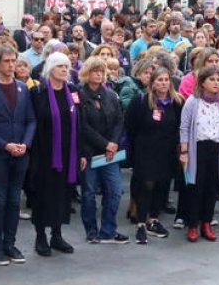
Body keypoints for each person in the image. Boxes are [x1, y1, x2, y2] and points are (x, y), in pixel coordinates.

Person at [0, 45, 36, 266]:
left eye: (14, 61)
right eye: (7, 61)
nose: (11, 65)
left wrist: (26, 144)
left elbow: (31, 120)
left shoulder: (23, 88)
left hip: (21, 153)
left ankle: (10, 243)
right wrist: (5, 145)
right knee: (0, 199)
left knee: (14, 200)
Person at [27, 52, 84, 256]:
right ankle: (40, 236)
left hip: (68, 154)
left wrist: (81, 153)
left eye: (67, 66)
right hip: (45, 153)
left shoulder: (73, 91)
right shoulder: (38, 92)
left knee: (63, 195)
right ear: (50, 68)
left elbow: (80, 122)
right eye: (60, 66)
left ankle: (57, 235)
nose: (65, 70)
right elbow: (32, 121)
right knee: (43, 195)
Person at [124, 68, 182, 244]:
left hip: (167, 151)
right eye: (159, 80)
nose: (163, 83)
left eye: (166, 80)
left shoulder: (177, 102)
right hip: (146, 150)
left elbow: (180, 126)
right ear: (152, 83)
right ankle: (141, 222)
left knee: (162, 185)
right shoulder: (141, 101)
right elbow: (130, 126)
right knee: (147, 186)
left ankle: (153, 219)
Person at [178, 67, 219, 242]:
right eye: (212, 79)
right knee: (196, 188)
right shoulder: (192, 102)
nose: (216, 83)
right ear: (202, 82)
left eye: (218, 79)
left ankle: (207, 223)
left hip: (217, 149)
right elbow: (184, 128)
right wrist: (184, 151)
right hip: (197, 149)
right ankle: (193, 225)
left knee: (212, 188)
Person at [77, 57, 127, 244]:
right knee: (89, 193)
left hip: (110, 153)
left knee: (115, 191)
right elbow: (83, 126)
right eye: (94, 71)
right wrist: (105, 144)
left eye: (101, 71)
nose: (98, 74)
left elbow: (119, 120)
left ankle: (108, 230)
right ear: (86, 73)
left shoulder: (110, 95)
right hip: (90, 151)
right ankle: (91, 230)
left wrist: (113, 143)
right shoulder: (80, 95)